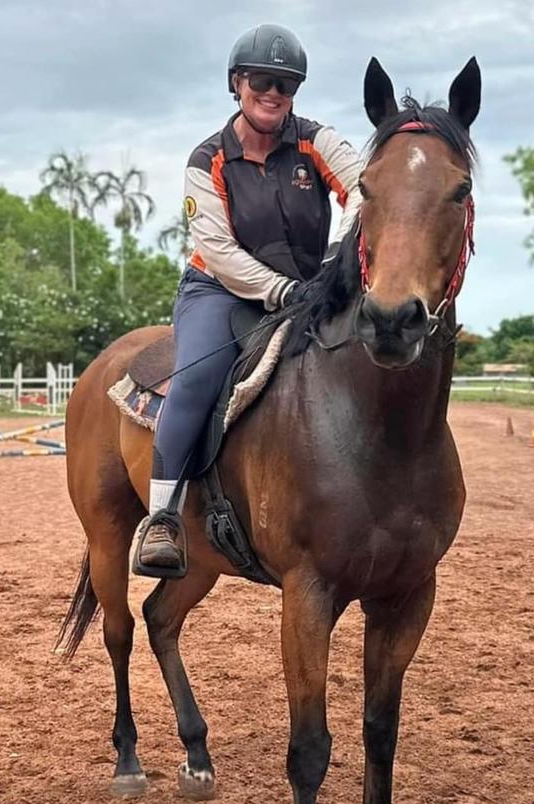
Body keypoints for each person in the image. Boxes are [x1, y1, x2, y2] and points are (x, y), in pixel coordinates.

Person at [135, 23, 364, 576]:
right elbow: (218, 250)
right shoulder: (206, 159)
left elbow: (363, 190)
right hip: (221, 289)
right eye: (262, 80)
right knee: (197, 375)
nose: (274, 93)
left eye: (287, 85)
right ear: (237, 82)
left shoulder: (318, 141)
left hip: (310, 287)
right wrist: (281, 289)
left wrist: (336, 256)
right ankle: (163, 517)